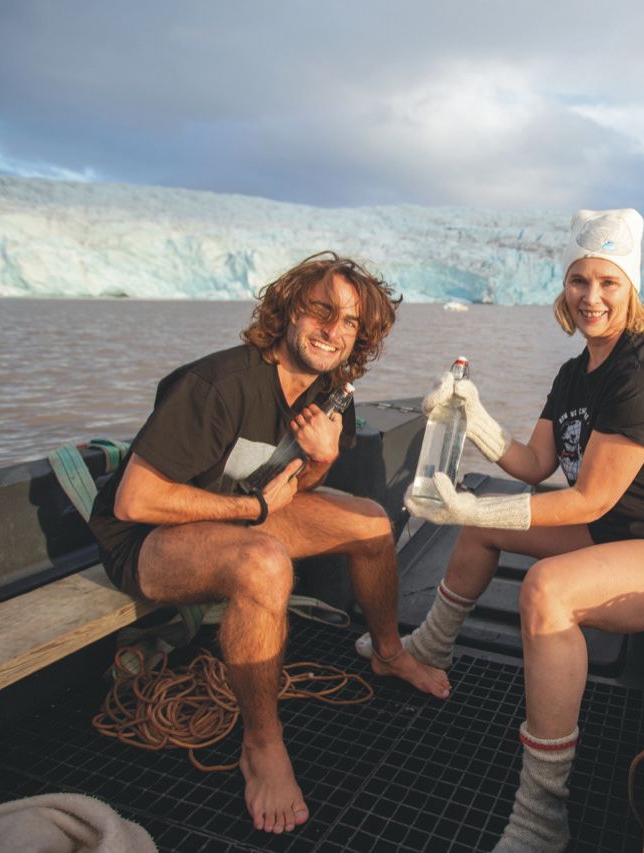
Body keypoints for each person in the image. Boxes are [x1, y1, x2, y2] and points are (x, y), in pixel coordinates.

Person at [364, 209, 644, 850]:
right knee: (484, 534)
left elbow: (589, 498)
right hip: (625, 535)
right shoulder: (575, 374)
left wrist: (470, 507)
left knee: (547, 589)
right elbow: (536, 465)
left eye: (608, 283)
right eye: (578, 281)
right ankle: (428, 648)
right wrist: (475, 414)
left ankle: (542, 812)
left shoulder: (641, 373)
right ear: (563, 288)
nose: (591, 298)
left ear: (631, 290)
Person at [87, 251, 450, 836]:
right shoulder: (218, 385)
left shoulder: (332, 392)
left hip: (234, 522)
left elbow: (291, 487)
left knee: (371, 524)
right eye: (320, 311)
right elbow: (135, 502)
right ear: (287, 311)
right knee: (264, 561)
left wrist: (323, 457)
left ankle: (388, 653)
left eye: (351, 322)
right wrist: (251, 510)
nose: (334, 331)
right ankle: (261, 743)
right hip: (149, 540)